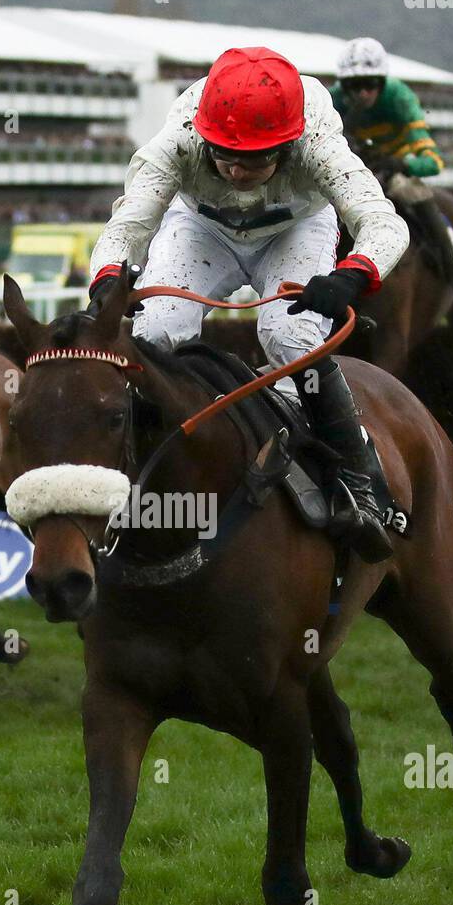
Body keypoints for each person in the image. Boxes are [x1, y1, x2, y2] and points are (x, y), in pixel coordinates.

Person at [88, 45, 410, 562]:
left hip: (296, 227)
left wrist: (353, 275)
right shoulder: (178, 139)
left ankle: (360, 474)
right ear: (205, 134)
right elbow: (125, 229)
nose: (237, 172)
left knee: (289, 337)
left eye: (255, 158)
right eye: (226, 156)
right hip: (201, 226)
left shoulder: (318, 139)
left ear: (287, 145)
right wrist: (107, 280)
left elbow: (384, 223)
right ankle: (126, 480)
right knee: (152, 335)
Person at [330, 36, 453, 294]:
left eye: (370, 84)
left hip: (395, 168)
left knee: (411, 191)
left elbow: (434, 163)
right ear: (344, 85)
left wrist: (403, 164)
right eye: (354, 85)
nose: (362, 93)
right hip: (354, 166)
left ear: (382, 82)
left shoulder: (399, 98)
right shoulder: (334, 99)